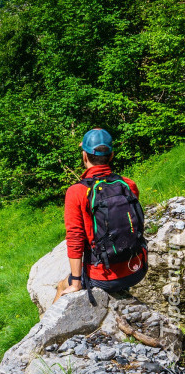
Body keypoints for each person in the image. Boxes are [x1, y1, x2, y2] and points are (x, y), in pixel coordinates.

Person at [55, 128, 148, 302]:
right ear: (111, 156)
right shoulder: (128, 184)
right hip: (137, 269)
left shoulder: (77, 192)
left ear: (84, 156)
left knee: (61, 286)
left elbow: (75, 237)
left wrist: (75, 282)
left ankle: (47, 328)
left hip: (103, 277)